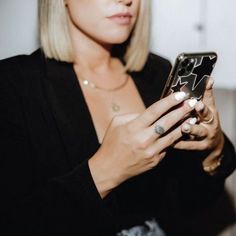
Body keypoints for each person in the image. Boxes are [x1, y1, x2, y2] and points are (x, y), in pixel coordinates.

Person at [0, 0, 235, 235]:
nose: (126, 0)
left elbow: (190, 204)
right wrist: (104, 173)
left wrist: (214, 150)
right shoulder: (14, 85)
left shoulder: (157, 73)